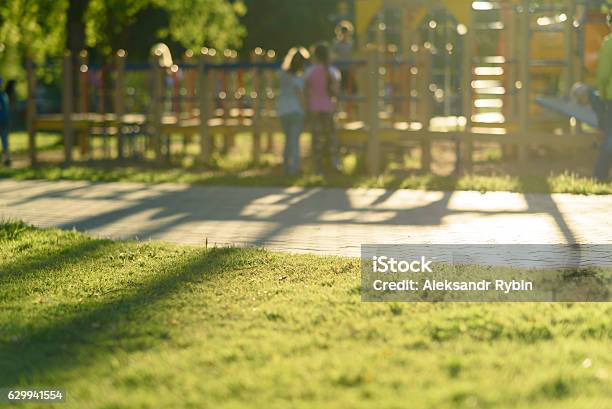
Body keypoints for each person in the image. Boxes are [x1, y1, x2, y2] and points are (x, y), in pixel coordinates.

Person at [305, 43, 341, 174]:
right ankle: (333, 163)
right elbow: (336, 91)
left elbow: (306, 91)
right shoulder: (332, 71)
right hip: (328, 107)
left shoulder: (309, 72)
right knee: (330, 136)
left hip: (314, 108)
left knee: (317, 138)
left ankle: (318, 167)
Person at [277, 47, 310, 176]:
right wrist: (306, 110)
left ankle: (286, 167)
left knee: (287, 140)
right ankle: (294, 169)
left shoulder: (283, 75)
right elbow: (300, 96)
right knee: (294, 141)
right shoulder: (299, 78)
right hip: (296, 111)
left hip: (283, 110)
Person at [593, 11, 612, 181]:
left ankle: (600, 174)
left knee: (609, 136)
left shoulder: (609, 43)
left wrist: (603, 95)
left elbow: (604, 74)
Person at [331, 21, 356, 95]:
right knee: (341, 85)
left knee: (350, 86)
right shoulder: (336, 43)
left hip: (348, 67)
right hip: (339, 67)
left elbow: (353, 55)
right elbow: (333, 55)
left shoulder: (351, 43)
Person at [0, 77, 11, 167]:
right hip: (6, 121)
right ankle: (6, 160)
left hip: (2, 121)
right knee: (5, 141)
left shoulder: (2, 96)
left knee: (4, 141)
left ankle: (6, 160)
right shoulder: (4, 95)